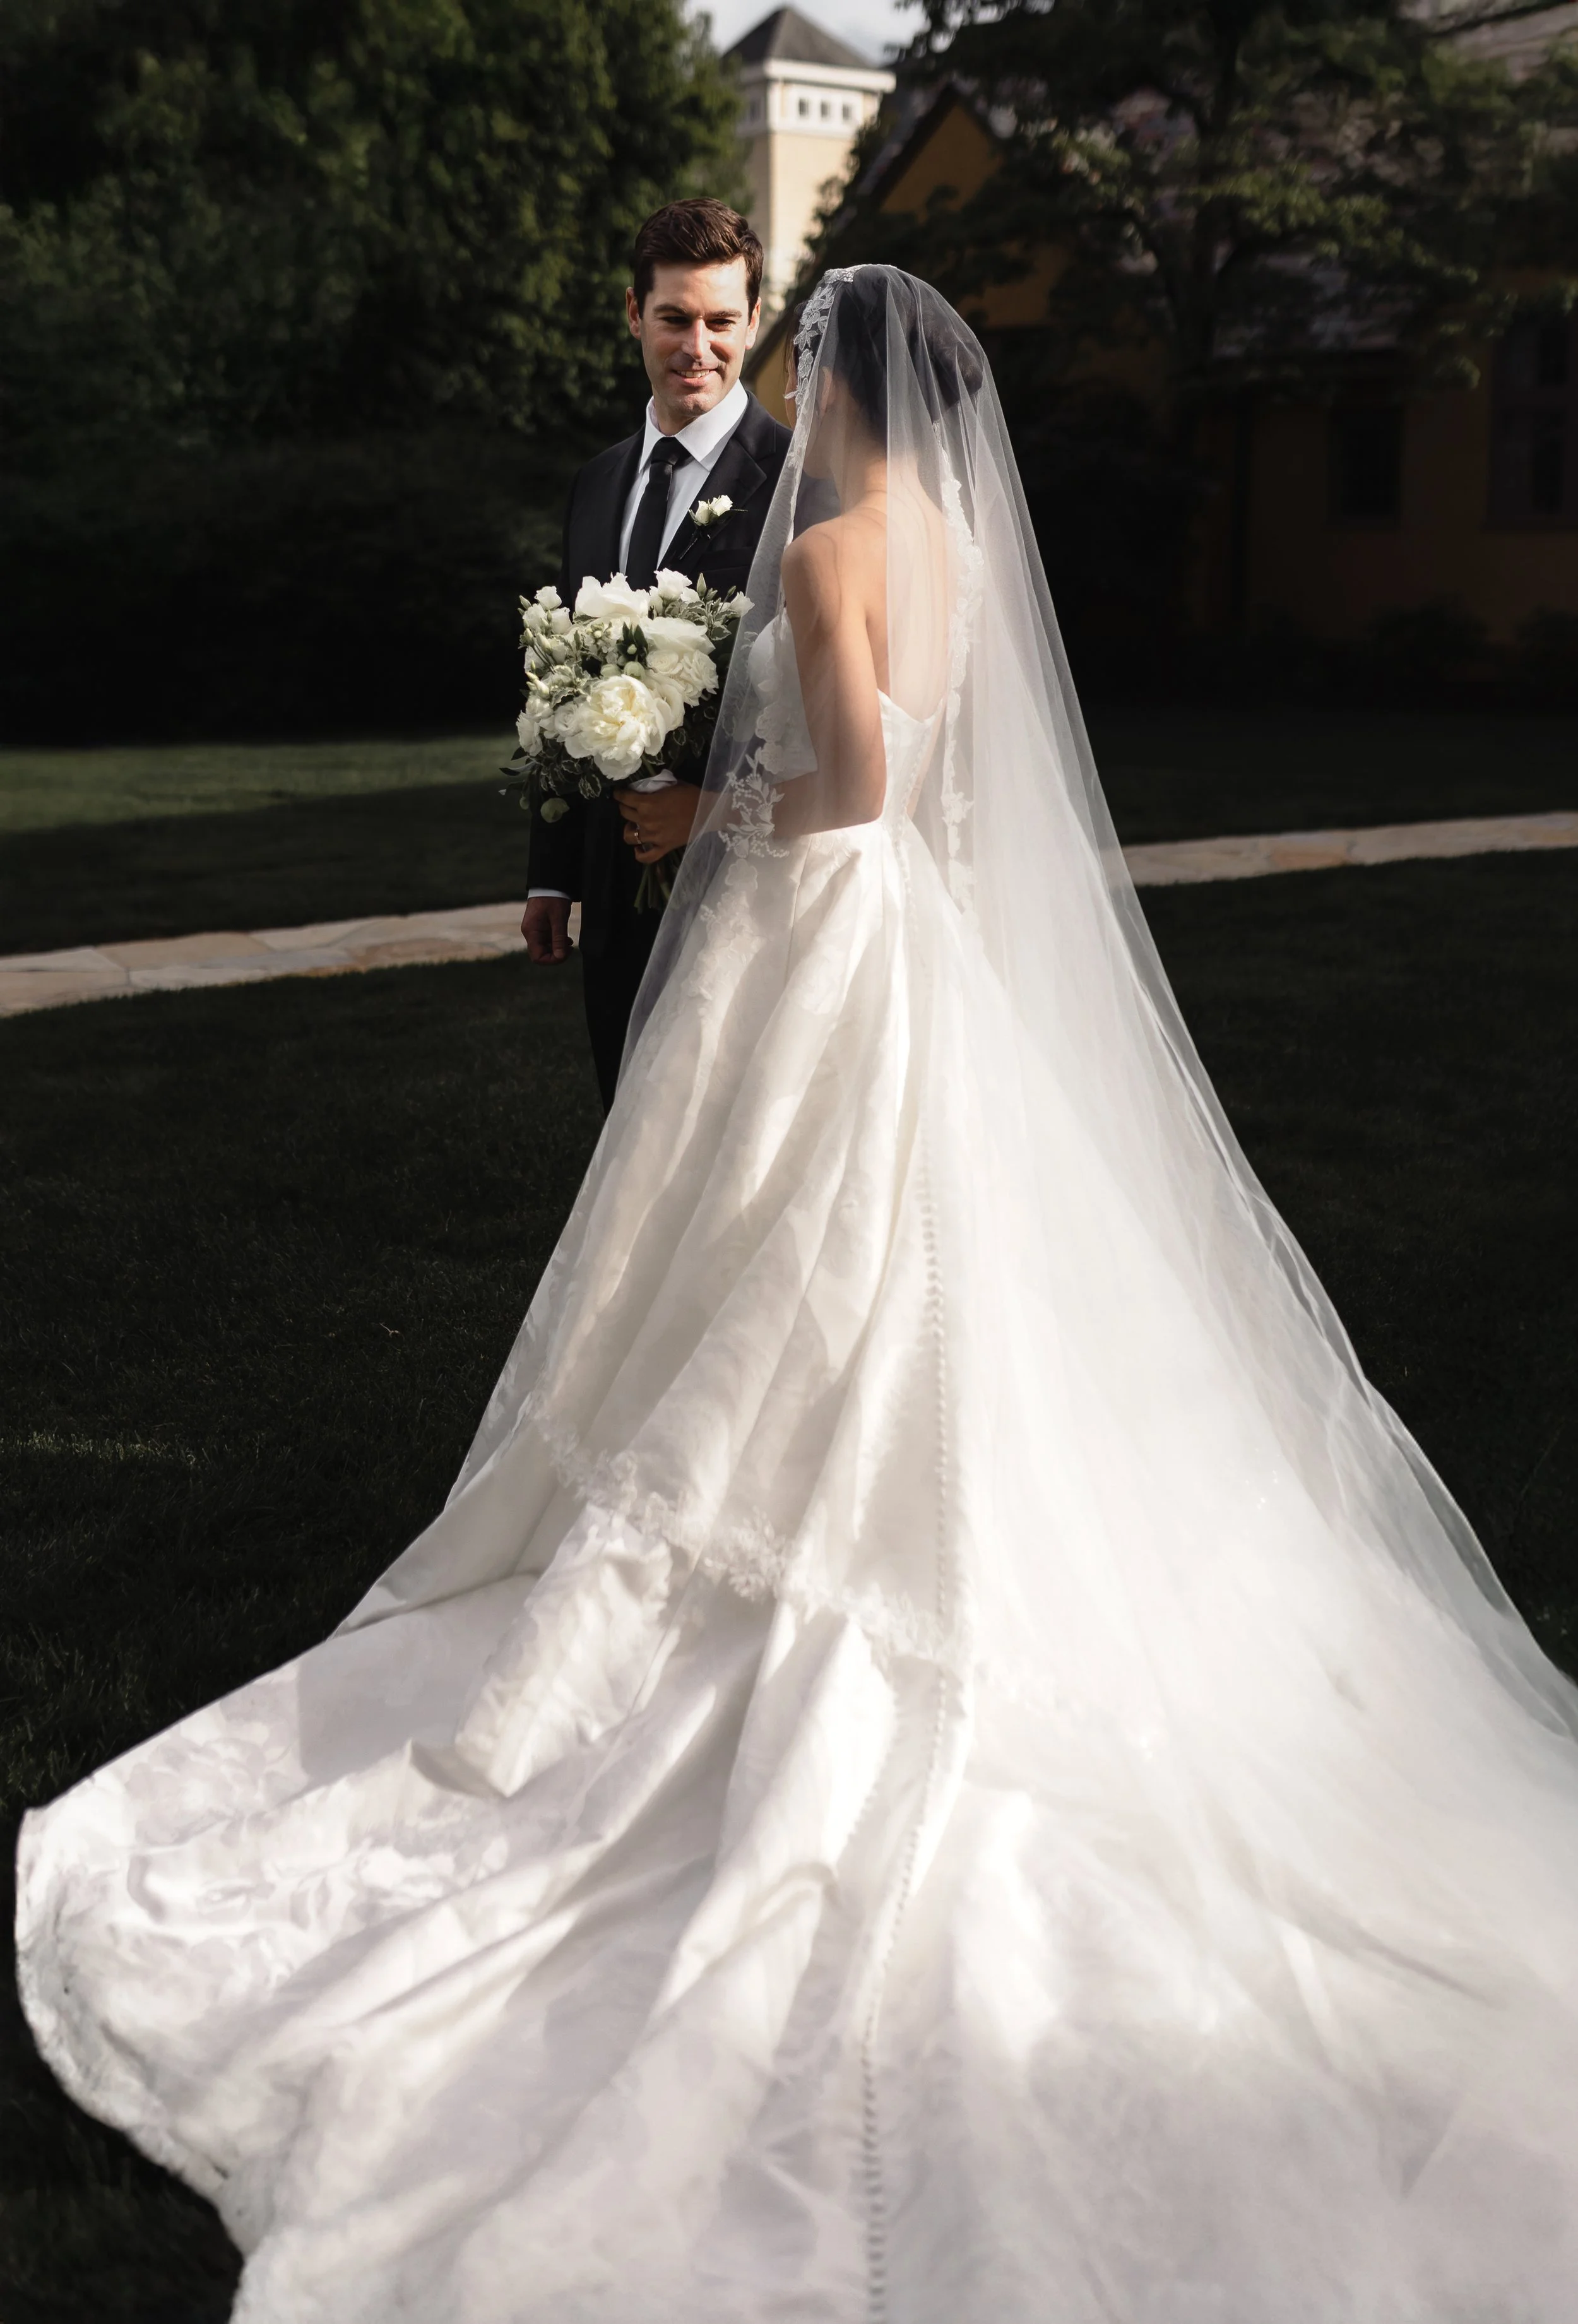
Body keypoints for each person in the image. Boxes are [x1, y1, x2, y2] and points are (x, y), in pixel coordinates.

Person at [18, 268, 1578, 2321]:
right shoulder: (947, 545)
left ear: (845, 394)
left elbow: (842, 788)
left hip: (822, 932)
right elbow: (928, 789)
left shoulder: (839, 544)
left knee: (784, 1248)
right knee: (864, 1263)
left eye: (805, 370)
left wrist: (687, 806)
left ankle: (777, 1575)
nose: (785, 395)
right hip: (909, 947)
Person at [522, 196, 792, 1111]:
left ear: (754, 321)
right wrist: (553, 870)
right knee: (626, 1132)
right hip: (608, 887)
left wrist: (708, 809)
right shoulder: (596, 484)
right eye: (675, 318)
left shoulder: (799, 488)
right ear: (633, 313)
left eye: (722, 321)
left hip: (746, 895)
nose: (698, 346)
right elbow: (566, 683)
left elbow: (826, 713)